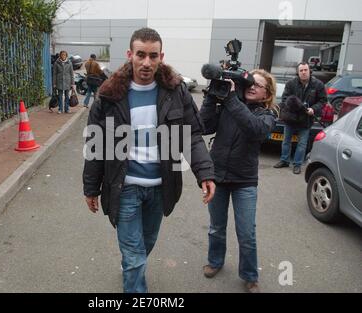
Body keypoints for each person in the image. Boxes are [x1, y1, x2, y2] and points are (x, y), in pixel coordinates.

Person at [82, 27, 216, 293]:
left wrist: (205, 173)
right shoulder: (109, 95)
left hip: (160, 186)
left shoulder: (175, 91)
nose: (146, 63)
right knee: (134, 256)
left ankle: (131, 267)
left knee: (146, 244)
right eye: (140, 55)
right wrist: (90, 188)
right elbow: (95, 145)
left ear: (161, 56)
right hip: (125, 186)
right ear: (130, 54)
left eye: (152, 56)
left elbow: (191, 135)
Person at [200, 69, 277, 293]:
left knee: (246, 233)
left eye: (259, 85)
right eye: (250, 83)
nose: (252, 87)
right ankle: (215, 261)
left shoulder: (267, 115)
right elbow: (204, 126)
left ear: (267, 94)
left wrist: (231, 99)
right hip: (218, 178)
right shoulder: (228, 105)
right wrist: (211, 98)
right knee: (216, 227)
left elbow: (254, 130)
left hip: (245, 181)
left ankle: (250, 275)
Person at [273, 62, 326, 174]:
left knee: (302, 143)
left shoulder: (318, 85)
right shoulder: (291, 83)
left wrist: (313, 109)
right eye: (301, 70)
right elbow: (284, 99)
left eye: (305, 70)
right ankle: (284, 160)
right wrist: (294, 105)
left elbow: (323, 101)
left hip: (306, 119)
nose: (303, 72)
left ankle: (297, 164)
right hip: (290, 117)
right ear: (298, 72)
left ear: (309, 71)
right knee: (286, 141)